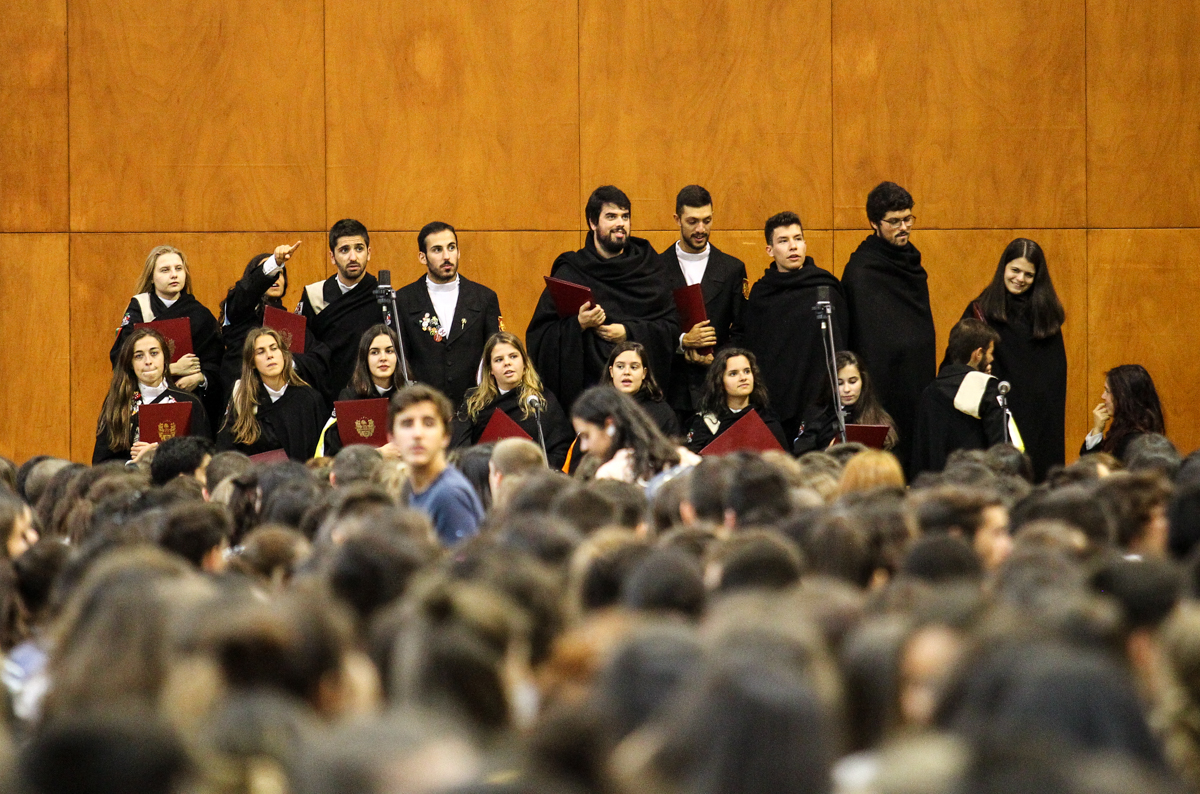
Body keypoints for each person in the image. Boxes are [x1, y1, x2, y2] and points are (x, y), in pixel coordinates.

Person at [527, 185, 678, 413]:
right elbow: (540, 336)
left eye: (625, 216)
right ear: (592, 222)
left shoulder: (650, 268)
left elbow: (671, 327)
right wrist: (578, 325)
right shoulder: (572, 272)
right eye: (611, 216)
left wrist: (628, 332)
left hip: (643, 404)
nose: (620, 223)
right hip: (589, 402)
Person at [841, 182, 936, 472]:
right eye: (894, 222)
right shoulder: (861, 270)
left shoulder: (914, 265)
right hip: (882, 386)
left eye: (908, 219)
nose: (903, 227)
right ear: (874, 223)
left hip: (917, 379)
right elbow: (861, 335)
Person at [958, 238, 1066, 481]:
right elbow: (958, 365)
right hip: (995, 412)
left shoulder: (1047, 315)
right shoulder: (980, 310)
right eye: (1015, 270)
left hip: (1039, 418)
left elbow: (1055, 377)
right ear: (1003, 269)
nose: (1020, 279)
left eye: (1028, 274)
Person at [738, 211, 847, 441]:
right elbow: (754, 349)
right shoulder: (761, 294)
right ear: (770, 250)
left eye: (797, 239)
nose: (793, 247)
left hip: (819, 402)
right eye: (784, 241)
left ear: (805, 243)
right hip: (776, 402)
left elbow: (843, 343)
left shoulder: (825, 287)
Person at [657, 185, 748, 424]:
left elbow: (741, 330)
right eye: (692, 221)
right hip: (671, 389)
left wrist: (716, 360)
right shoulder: (655, 268)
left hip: (717, 389)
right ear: (677, 219)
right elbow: (649, 326)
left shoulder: (732, 269)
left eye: (707, 221)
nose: (701, 229)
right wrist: (682, 342)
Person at [110, 245, 225, 422]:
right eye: (165, 270)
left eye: (178, 269)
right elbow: (121, 359)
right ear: (152, 277)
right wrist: (172, 369)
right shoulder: (139, 309)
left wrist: (200, 378)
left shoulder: (200, 315)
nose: (174, 274)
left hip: (187, 401)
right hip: (142, 402)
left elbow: (217, 362)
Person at [395, 222, 503, 407]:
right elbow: (400, 359)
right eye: (437, 250)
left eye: (451, 248)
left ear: (458, 252)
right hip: (423, 407)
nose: (447, 256)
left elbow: (496, 351)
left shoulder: (484, 298)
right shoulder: (403, 300)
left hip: (475, 407)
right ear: (422, 257)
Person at [219, 244, 331, 402]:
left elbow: (318, 358)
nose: (276, 278)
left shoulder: (291, 322)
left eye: (280, 274)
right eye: (271, 274)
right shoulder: (240, 312)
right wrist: (275, 263)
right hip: (246, 400)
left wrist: (287, 361)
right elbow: (247, 291)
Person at [451, 332, 574, 469]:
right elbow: (459, 448)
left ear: (525, 363)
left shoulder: (541, 401)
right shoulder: (474, 401)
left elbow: (560, 450)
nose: (507, 363)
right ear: (490, 369)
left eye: (513, 356)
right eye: (499, 360)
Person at [94, 328, 212, 465]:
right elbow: (100, 463)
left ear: (165, 358)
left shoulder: (189, 402)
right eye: (139, 356)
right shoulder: (118, 402)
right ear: (130, 363)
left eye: (154, 353)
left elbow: (206, 457)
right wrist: (135, 463)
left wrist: (160, 454)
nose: (148, 361)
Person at [296, 219, 384, 399]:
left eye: (359, 249)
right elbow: (302, 351)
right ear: (332, 256)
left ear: (369, 253)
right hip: (324, 393)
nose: (353, 257)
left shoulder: (382, 297)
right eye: (344, 250)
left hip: (370, 395)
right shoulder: (314, 296)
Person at [389, 384, 484, 545]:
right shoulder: (411, 488)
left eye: (429, 423)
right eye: (407, 424)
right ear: (392, 437)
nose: (417, 434)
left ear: (446, 435)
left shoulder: (449, 494)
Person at [912, 319, 1007, 474]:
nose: (992, 359)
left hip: (935, 491)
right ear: (978, 354)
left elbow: (921, 454)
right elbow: (1002, 449)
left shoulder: (928, 392)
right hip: (976, 488)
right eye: (990, 353)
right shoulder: (987, 390)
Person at [216, 328, 327, 462]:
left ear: (284, 355)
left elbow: (321, 454)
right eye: (261, 352)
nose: (269, 355)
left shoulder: (309, 399)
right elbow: (226, 451)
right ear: (252, 363)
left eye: (274, 348)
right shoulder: (242, 398)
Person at [571, 386, 699, 485]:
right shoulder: (682, 458)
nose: (583, 447)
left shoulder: (609, 475)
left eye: (586, 436)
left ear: (609, 425)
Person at [319, 324, 405, 458]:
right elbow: (334, 453)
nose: (383, 358)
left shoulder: (409, 396)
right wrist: (378, 454)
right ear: (365, 359)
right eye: (375, 352)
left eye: (389, 351)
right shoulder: (349, 398)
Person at [684, 348, 788, 453]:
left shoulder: (767, 420)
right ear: (720, 381)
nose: (743, 378)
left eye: (747, 371)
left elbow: (783, 463)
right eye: (733, 374)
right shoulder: (706, 422)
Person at [794, 351, 898, 454]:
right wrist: (827, 452)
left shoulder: (878, 417)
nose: (847, 389)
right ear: (831, 385)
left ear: (863, 381)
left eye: (853, 381)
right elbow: (801, 456)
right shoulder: (816, 415)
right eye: (839, 383)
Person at [1083, 364, 1165, 463]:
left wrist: (1097, 431)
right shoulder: (1125, 432)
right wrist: (1097, 430)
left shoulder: (1131, 442)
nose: (1103, 396)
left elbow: (1093, 471)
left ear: (1123, 397)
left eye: (1107, 391)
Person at [602, 341, 680, 438]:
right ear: (611, 372)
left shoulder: (662, 413)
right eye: (620, 366)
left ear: (644, 373)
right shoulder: (597, 408)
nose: (626, 372)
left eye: (634, 367)